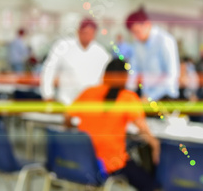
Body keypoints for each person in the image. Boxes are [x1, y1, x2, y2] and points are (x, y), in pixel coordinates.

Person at [65, 59, 160, 191]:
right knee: (153, 185)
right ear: (125, 78)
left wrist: (77, 133)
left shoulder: (89, 92)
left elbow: (67, 117)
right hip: (111, 165)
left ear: (105, 75)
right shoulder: (128, 98)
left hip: (83, 161)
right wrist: (155, 145)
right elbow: (143, 129)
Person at [40, 18, 111, 105]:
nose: (87, 36)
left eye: (91, 33)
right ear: (78, 32)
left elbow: (109, 77)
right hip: (66, 101)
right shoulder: (63, 46)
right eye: (85, 32)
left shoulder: (102, 53)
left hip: (92, 103)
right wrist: (48, 94)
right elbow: (49, 70)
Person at [125, 8, 180, 101]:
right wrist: (128, 91)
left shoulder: (165, 41)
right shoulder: (137, 44)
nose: (135, 36)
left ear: (147, 25)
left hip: (165, 97)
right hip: (145, 95)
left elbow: (171, 75)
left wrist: (150, 96)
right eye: (132, 33)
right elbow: (134, 69)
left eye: (137, 32)